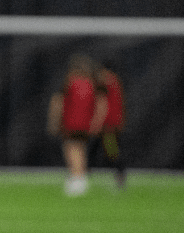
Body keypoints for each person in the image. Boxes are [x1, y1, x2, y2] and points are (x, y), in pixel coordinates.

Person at [48, 54, 103, 197]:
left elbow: (57, 101)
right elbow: (100, 104)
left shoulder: (70, 82)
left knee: (71, 149)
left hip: (71, 122)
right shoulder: (91, 83)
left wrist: (54, 121)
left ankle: (76, 178)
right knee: (81, 149)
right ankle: (81, 178)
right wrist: (96, 123)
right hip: (85, 123)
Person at [91, 62, 126, 189]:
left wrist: (97, 123)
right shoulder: (115, 80)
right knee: (102, 150)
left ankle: (120, 176)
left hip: (109, 124)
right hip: (114, 121)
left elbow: (103, 105)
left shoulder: (106, 81)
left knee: (112, 151)